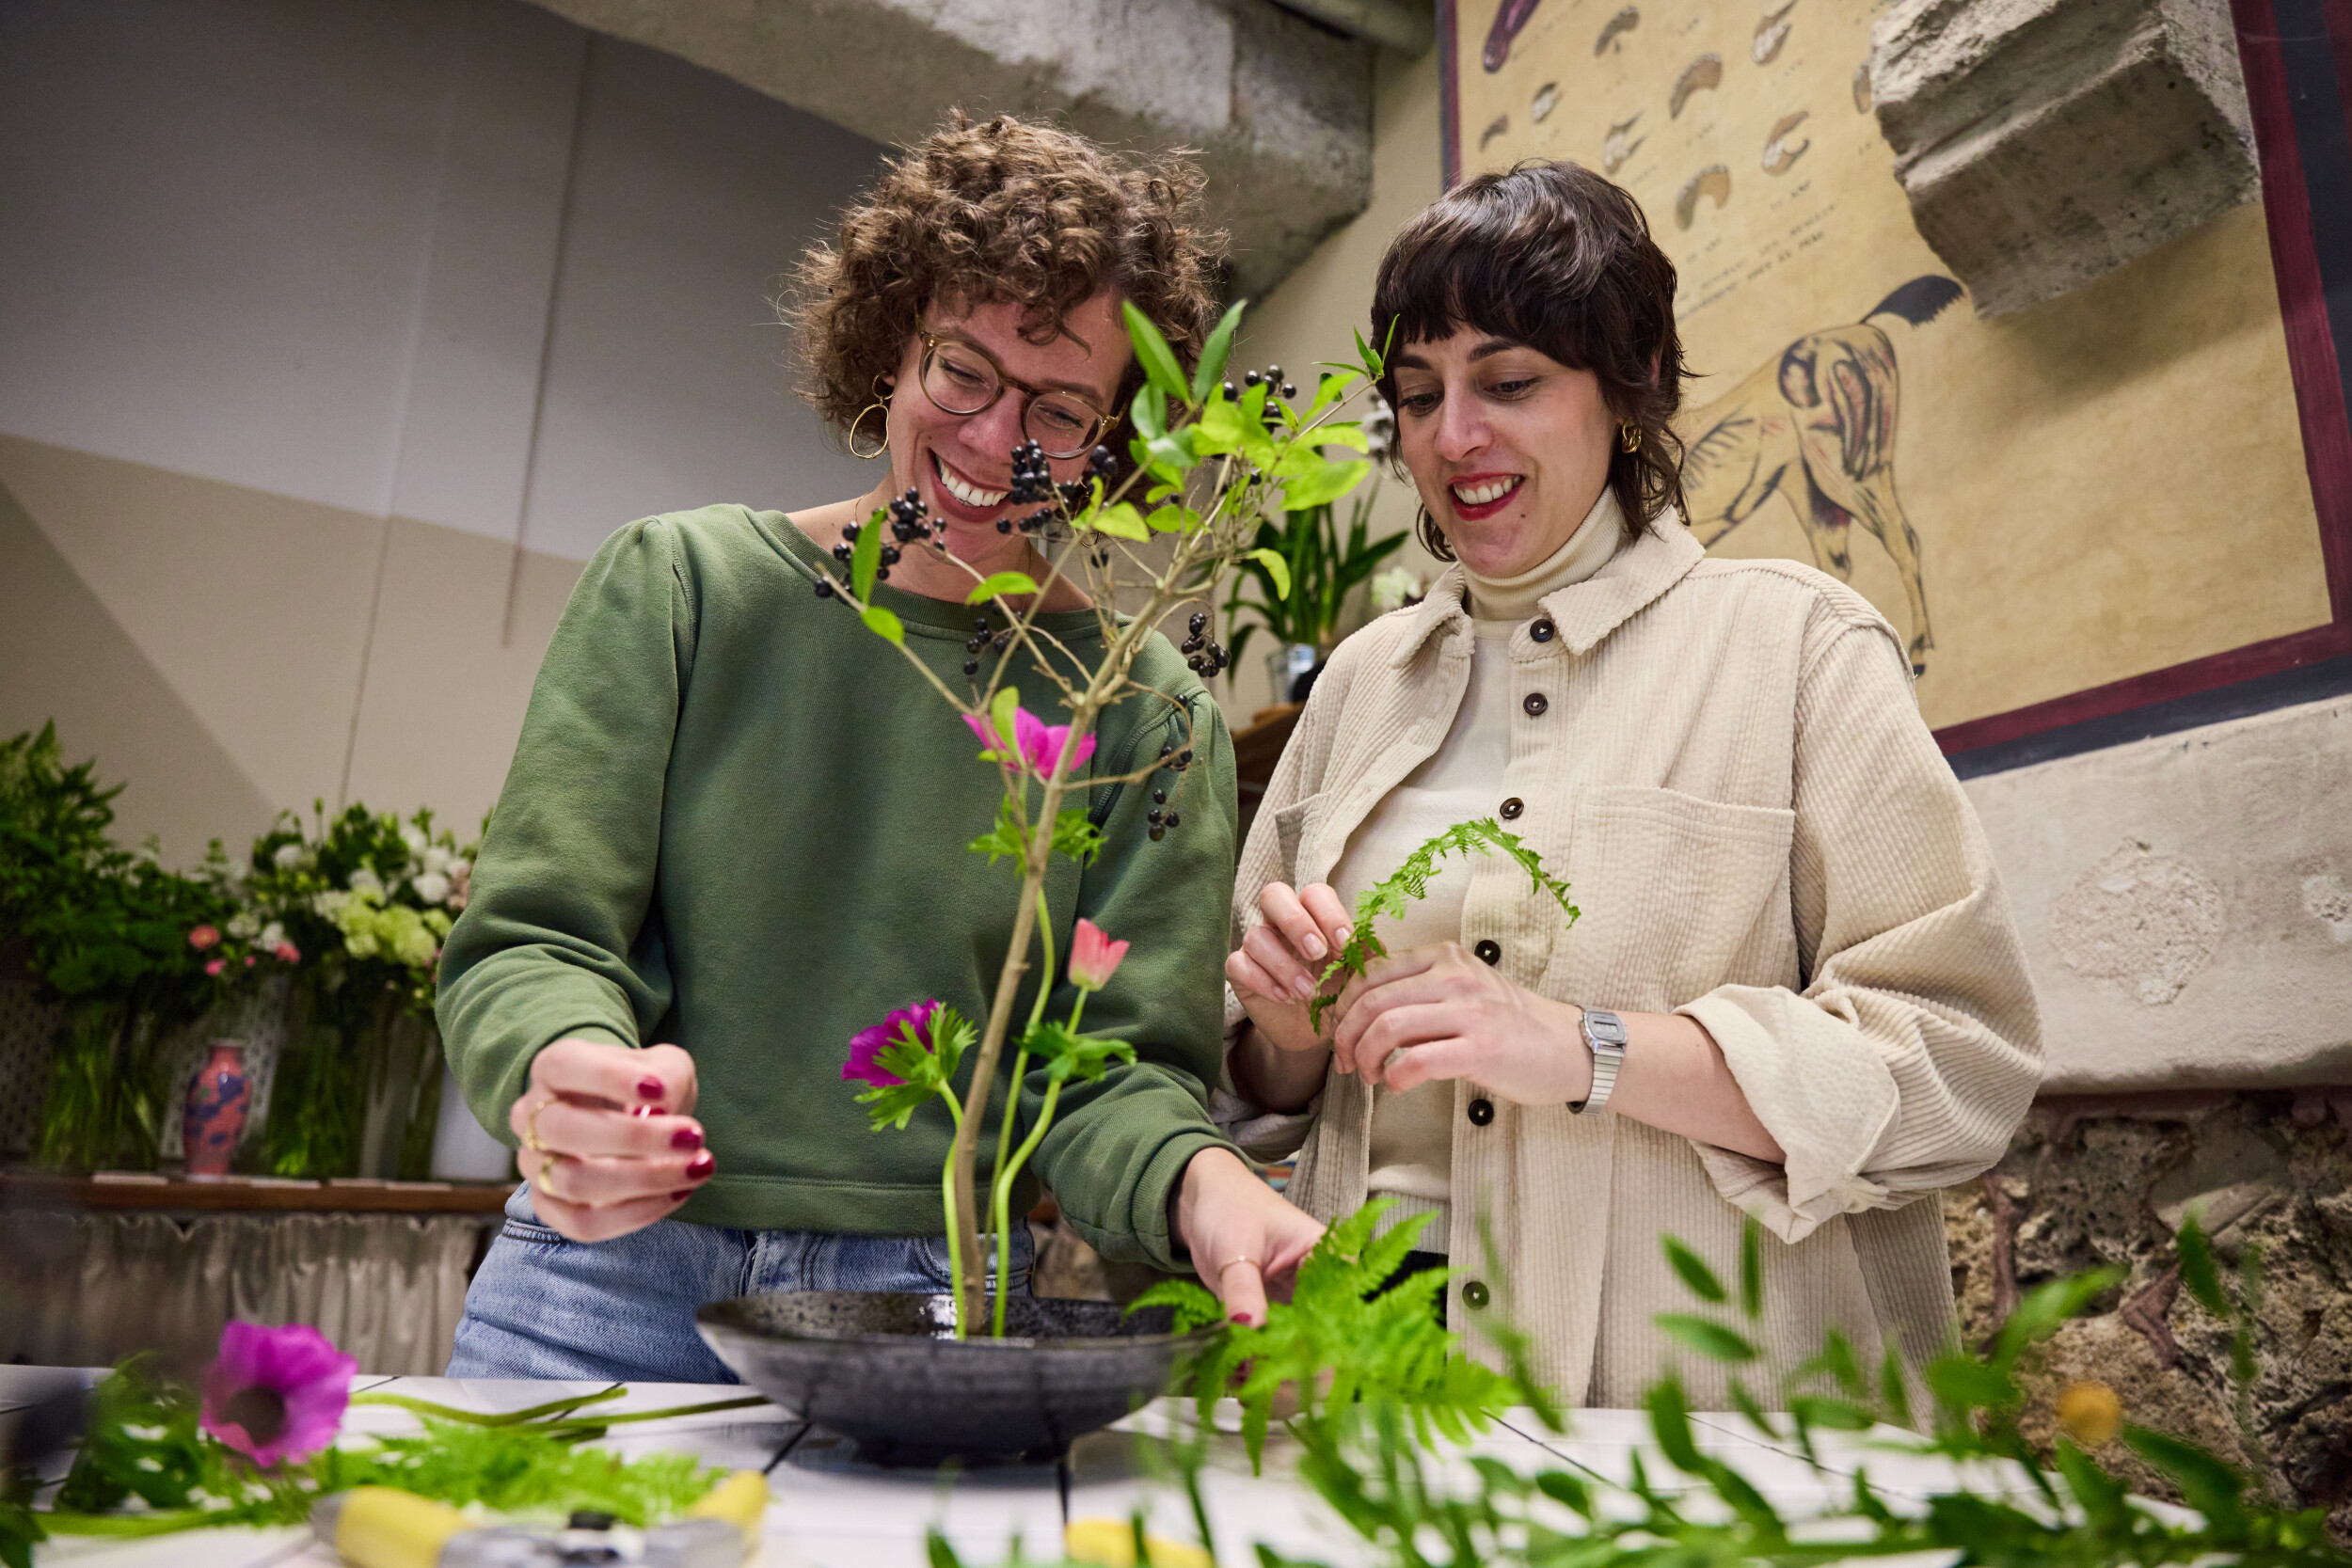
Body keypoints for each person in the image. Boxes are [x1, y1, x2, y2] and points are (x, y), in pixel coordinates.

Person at [441, 114, 1319, 1382]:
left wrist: (1204, 1184)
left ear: (1120, 435)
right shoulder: (685, 589)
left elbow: (1112, 1077)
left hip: (934, 1294)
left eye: (1061, 409)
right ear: (891, 345)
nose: (992, 442)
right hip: (607, 1272)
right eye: (962, 372)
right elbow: (533, 939)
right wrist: (567, 1074)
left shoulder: (1145, 713)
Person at [1219, 162, 2039, 1409]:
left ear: (1631, 380)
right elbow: (1267, 1095)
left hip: (1706, 1404)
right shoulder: (1357, 685)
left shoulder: (1801, 647)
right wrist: (1285, 1041)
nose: (1454, 439)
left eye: (1509, 383)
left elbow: (1955, 1071)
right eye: (1418, 395)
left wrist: (1585, 1049)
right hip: (1359, 1373)